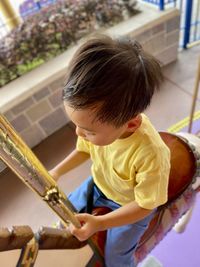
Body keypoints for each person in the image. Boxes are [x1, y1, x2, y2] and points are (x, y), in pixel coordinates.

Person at [49, 34, 170, 267]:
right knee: (64, 211)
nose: (78, 133)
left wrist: (101, 223)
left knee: (116, 258)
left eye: (88, 131)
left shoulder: (152, 154)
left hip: (129, 206)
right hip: (99, 184)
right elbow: (84, 150)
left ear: (131, 124)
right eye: (76, 125)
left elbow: (146, 204)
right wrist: (56, 171)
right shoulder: (96, 129)